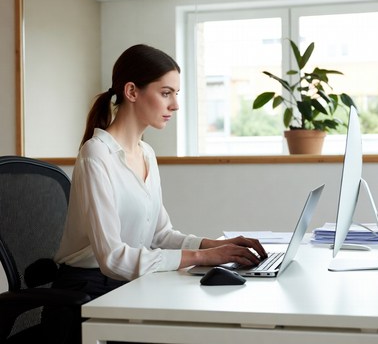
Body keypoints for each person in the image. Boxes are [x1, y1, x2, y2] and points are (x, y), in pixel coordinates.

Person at [46, 44, 267, 343]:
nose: (175, 105)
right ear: (132, 92)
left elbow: (160, 235)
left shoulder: (146, 153)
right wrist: (202, 256)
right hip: (88, 295)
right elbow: (113, 258)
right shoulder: (96, 154)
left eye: (176, 94)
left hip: (126, 285)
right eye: (166, 93)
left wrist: (219, 246)